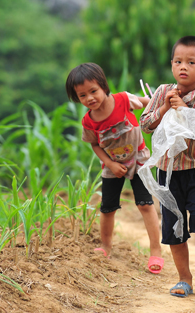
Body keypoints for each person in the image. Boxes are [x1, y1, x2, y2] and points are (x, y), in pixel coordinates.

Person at [65, 62, 164, 274]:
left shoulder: (123, 100)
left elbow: (149, 103)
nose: (90, 98)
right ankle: (106, 246)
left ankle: (155, 251)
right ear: (77, 98)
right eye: (83, 95)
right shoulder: (88, 122)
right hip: (112, 165)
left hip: (138, 159)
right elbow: (94, 144)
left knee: (145, 204)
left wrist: (161, 106)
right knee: (107, 208)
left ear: (103, 86)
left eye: (93, 91)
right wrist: (109, 163)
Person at [140, 36, 195, 297]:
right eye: (178, 61)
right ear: (172, 64)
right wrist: (164, 107)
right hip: (167, 172)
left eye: (191, 62)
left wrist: (186, 111)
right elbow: (146, 125)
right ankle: (184, 278)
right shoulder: (163, 92)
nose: (183, 67)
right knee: (174, 227)